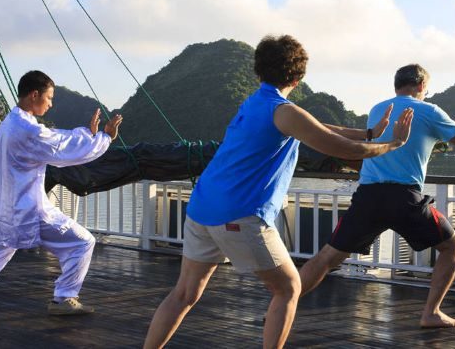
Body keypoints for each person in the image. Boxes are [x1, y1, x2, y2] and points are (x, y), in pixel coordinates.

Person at [144, 35, 413, 349]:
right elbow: (339, 146)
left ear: (259, 72)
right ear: (298, 79)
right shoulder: (283, 112)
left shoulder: (256, 102)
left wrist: (369, 132)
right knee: (288, 288)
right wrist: (393, 144)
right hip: (239, 215)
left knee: (184, 294)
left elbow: (318, 126)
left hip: (202, 208)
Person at [299, 63, 455, 328]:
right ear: (422, 86)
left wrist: (443, 132)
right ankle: (431, 313)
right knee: (452, 247)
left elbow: (408, 148)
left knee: (328, 257)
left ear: (396, 86)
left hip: (369, 196)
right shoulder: (428, 110)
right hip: (404, 198)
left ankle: (283, 303)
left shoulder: (379, 109)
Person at [0, 70, 123, 324]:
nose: (50, 104)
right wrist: (103, 137)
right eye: (49, 98)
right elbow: (62, 148)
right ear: (34, 94)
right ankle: (64, 298)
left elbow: (57, 139)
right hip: (30, 211)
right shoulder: (27, 130)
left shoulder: (11, 122)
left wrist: (88, 135)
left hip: (6, 210)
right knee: (83, 242)